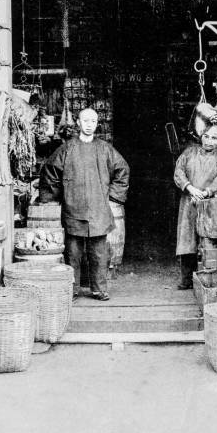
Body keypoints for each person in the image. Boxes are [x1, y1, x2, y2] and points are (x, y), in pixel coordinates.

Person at [39, 108, 130, 301]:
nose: (89, 125)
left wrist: (113, 197)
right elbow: (50, 171)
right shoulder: (66, 149)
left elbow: (122, 170)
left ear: (97, 124)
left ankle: (99, 289)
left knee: (99, 253)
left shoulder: (105, 149)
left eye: (93, 121)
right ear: (78, 123)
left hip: (98, 209)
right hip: (73, 208)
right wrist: (57, 197)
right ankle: (71, 289)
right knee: (73, 253)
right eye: (85, 121)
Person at [173, 124, 217, 289]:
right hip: (188, 201)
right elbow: (179, 171)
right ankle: (186, 280)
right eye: (207, 136)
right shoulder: (190, 152)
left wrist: (206, 192)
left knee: (208, 239)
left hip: (210, 203)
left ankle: (207, 280)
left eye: (214, 138)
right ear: (201, 136)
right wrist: (190, 188)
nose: (209, 141)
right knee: (187, 239)